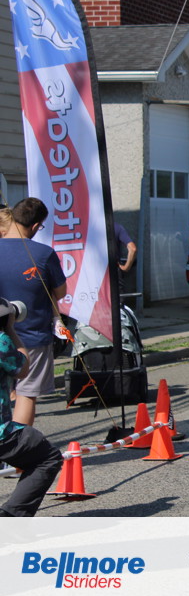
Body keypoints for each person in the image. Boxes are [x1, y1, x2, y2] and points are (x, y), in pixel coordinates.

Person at [0, 199, 67, 428]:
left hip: (0, 336)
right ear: (36, 225)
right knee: (26, 394)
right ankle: (18, 447)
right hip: (32, 336)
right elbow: (60, 292)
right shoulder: (44, 254)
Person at [0, 305, 63, 516]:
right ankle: (12, 518)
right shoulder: (2, 341)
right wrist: (11, 330)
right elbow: (23, 368)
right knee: (47, 457)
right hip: (2, 434)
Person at [113, 222, 137, 293]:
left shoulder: (90, 229)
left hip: (95, 272)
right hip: (114, 270)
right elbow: (133, 249)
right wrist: (126, 267)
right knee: (118, 298)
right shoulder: (117, 227)